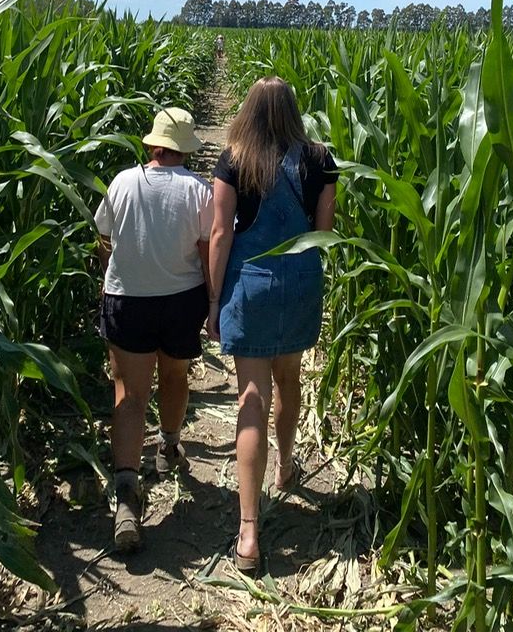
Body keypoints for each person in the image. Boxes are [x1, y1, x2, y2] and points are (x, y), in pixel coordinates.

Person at [207, 77, 338, 573]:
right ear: (292, 108)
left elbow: (220, 233)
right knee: (290, 380)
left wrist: (214, 301)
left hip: (253, 284)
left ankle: (248, 531)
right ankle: (285, 468)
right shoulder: (320, 159)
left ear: (251, 110)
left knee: (251, 398)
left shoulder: (235, 158)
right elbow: (323, 232)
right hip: (300, 280)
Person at [94, 107, 212, 553]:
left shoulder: (124, 182)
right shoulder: (199, 190)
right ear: (185, 149)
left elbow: (104, 234)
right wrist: (214, 302)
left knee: (129, 394)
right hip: (181, 301)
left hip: (127, 301)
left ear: (152, 146)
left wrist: (111, 275)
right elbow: (206, 251)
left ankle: (126, 495)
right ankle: (167, 447)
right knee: (175, 377)